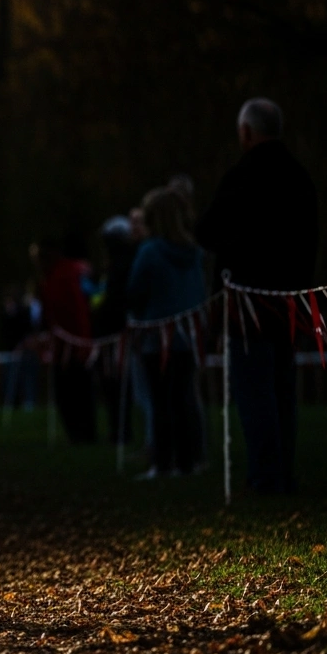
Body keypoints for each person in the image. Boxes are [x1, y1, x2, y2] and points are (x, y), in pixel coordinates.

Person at [195, 97, 317, 494]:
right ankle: (283, 470)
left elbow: (207, 232)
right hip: (289, 300)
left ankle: (266, 475)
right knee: (283, 389)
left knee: (253, 390)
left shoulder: (241, 176)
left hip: (248, 303)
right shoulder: (300, 177)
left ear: (246, 132)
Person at [127, 188, 207, 478]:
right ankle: (189, 461)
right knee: (185, 398)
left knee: (160, 401)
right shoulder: (195, 252)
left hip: (156, 337)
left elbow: (135, 291)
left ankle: (162, 463)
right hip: (188, 335)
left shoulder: (149, 251)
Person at [33, 233, 97, 443]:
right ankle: (79, 434)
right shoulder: (53, 276)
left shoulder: (64, 275)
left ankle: (83, 434)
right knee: (70, 392)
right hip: (64, 345)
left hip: (73, 346)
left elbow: (76, 312)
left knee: (76, 391)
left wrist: (81, 344)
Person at [91, 216, 137, 445]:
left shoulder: (120, 266)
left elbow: (115, 302)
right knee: (114, 386)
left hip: (115, 335)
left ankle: (121, 431)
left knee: (116, 385)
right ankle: (119, 430)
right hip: (113, 334)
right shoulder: (117, 265)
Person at [0, 286, 39, 413]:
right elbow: (5, 333)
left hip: (25, 350)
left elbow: (27, 329)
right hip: (11, 351)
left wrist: (22, 344)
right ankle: (12, 402)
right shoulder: (6, 314)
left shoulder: (23, 312)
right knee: (10, 378)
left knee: (27, 377)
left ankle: (29, 401)